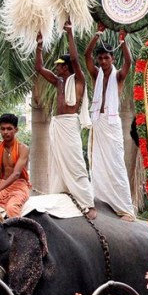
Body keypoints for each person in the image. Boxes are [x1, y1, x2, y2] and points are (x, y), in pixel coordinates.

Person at [35, 21, 96, 219]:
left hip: (70, 123)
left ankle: (88, 203)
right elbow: (39, 67)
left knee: (76, 161)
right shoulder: (58, 81)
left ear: (68, 67)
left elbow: (77, 59)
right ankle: (62, 194)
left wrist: (70, 33)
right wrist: (39, 46)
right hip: (58, 124)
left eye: (61, 66)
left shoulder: (78, 78)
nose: (58, 69)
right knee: (57, 162)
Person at [85, 27, 135, 221]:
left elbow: (129, 62)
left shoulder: (118, 76)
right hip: (98, 122)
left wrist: (123, 41)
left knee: (116, 165)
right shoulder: (96, 75)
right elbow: (86, 54)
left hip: (112, 125)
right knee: (97, 165)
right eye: (101, 58)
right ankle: (102, 203)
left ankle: (126, 209)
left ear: (112, 60)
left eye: (107, 58)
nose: (104, 61)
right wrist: (97, 33)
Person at [0, 113, 30, 217]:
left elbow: (16, 174)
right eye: (3, 129)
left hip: (19, 187)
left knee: (11, 208)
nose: (5, 132)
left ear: (16, 130)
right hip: (2, 185)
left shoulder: (23, 149)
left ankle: (18, 233)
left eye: (9, 129)